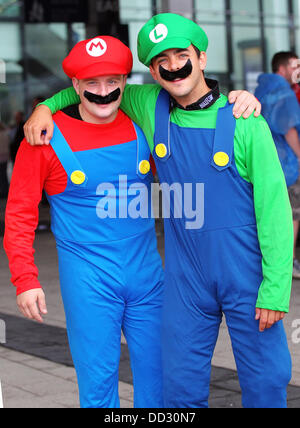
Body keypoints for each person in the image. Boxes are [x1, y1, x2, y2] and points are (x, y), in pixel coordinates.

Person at [22, 14, 288, 409]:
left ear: (201, 57)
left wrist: (277, 288)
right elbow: (91, 89)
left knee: (265, 380)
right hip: (185, 281)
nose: (173, 65)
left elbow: (275, 210)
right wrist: (44, 107)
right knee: (177, 386)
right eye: (161, 61)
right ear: (152, 71)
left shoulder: (246, 122)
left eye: (182, 54)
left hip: (246, 276)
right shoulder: (147, 103)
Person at [4, 36, 165, 408]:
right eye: (91, 83)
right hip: (89, 283)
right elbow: (19, 214)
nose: (103, 92)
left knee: (159, 378)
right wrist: (25, 279)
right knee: (98, 384)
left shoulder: (143, 123)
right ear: (75, 85)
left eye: (112, 82)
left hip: (148, 277)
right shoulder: (42, 137)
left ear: (125, 82)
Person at [255, 51, 300, 279]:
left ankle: (270, 262)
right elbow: (289, 127)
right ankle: (288, 262)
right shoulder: (284, 92)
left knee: (269, 214)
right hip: (288, 164)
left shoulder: (261, 90)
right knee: (293, 214)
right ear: (282, 69)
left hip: (265, 161)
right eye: (294, 66)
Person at [0, 122, 10, 199]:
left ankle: (3, 191)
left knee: (1, 175)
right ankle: (5, 190)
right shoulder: (6, 133)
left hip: (1, 156)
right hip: (5, 156)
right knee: (4, 174)